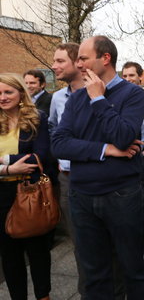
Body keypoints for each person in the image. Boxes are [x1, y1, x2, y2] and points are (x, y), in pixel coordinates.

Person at [51, 36, 144, 299]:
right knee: (94, 274)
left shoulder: (132, 93)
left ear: (105, 58)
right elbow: (60, 144)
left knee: (133, 269)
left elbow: (123, 136)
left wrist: (98, 99)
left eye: (83, 58)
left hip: (121, 195)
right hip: (82, 196)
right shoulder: (75, 99)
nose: (79, 63)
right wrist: (105, 150)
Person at [0, 73, 51, 300]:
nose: (2, 97)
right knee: (9, 255)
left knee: (37, 250)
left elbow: (40, 156)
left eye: (8, 92)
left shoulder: (36, 118)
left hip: (29, 191)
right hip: (1, 194)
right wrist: (9, 168)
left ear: (21, 93)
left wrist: (3, 160)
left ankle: (43, 296)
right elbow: (24, 159)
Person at [48, 42, 86, 296]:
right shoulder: (58, 98)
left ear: (77, 63)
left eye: (60, 61)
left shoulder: (100, 92)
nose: (54, 66)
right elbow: (53, 129)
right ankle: (88, 291)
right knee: (79, 243)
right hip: (68, 179)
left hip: (97, 177)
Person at [121, 61, 144, 262]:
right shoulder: (117, 99)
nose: (128, 80)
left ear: (140, 77)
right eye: (124, 76)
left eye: (131, 76)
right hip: (122, 158)